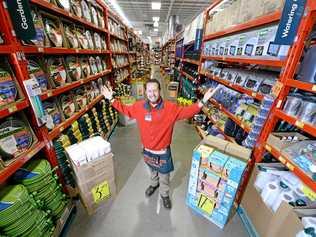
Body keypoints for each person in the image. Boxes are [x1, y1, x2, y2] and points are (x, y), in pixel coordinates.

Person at [101, 79, 220, 209]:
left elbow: (188, 111)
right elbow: (125, 109)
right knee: (152, 170)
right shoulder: (139, 107)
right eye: (149, 90)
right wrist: (111, 99)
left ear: (160, 91)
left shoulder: (170, 108)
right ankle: (153, 184)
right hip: (147, 149)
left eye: (155, 90)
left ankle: (164, 194)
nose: (152, 93)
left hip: (162, 151)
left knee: (164, 175)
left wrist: (203, 101)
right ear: (146, 92)